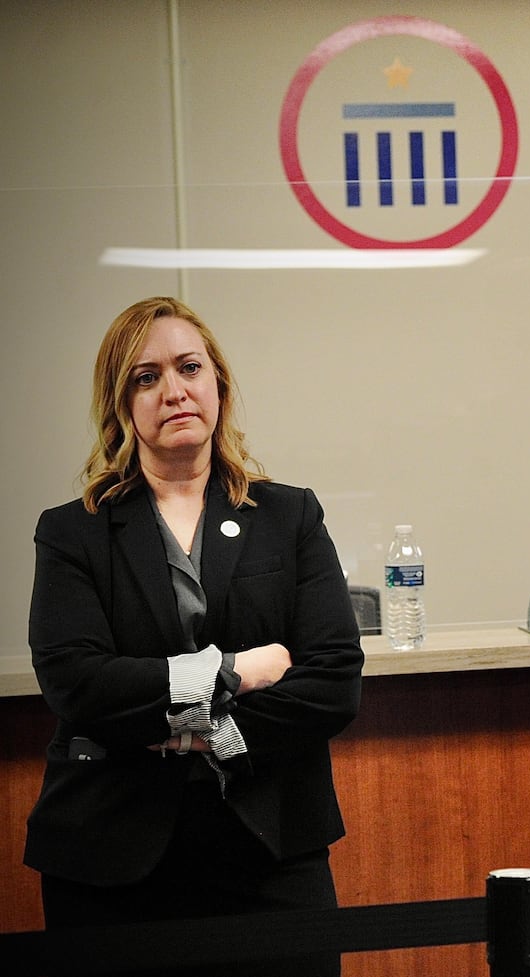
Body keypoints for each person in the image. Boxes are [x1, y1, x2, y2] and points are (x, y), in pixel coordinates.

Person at [25, 296, 364, 976]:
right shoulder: (75, 531)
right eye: (146, 377)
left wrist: (199, 732)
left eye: (189, 367)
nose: (173, 390)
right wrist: (236, 667)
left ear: (219, 385)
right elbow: (78, 683)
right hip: (111, 861)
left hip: (270, 851)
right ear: (120, 404)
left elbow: (332, 682)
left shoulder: (288, 515)